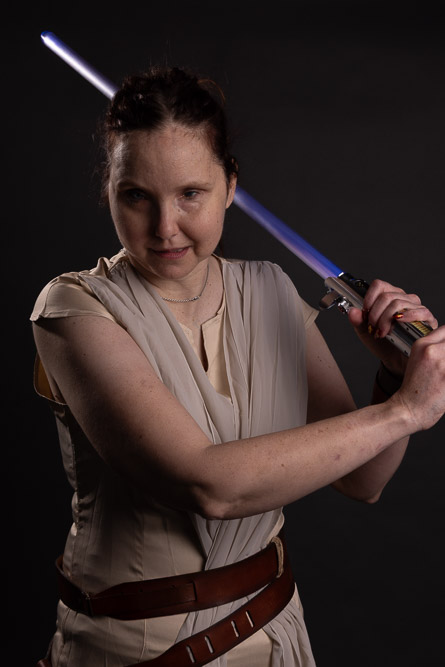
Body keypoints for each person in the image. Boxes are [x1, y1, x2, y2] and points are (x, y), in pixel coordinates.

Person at [31, 65, 445, 667]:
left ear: (230, 186)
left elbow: (364, 481)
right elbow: (209, 486)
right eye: (136, 196)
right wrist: (407, 410)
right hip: (133, 650)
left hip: (272, 632)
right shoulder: (73, 309)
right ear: (109, 190)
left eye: (190, 194)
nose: (165, 227)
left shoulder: (271, 291)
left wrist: (394, 380)